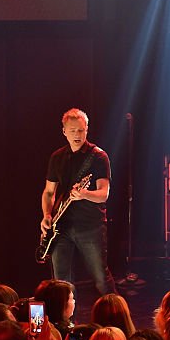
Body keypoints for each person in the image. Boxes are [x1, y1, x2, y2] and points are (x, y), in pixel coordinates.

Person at [40, 108, 116, 295]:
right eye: (73, 130)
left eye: (81, 130)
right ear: (64, 131)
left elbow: (104, 193)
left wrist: (85, 194)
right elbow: (49, 192)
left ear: (87, 130)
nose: (77, 135)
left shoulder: (98, 157)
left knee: (101, 280)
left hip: (90, 226)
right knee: (61, 283)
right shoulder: (57, 157)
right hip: (61, 227)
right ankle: (66, 323)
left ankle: (116, 319)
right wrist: (47, 215)